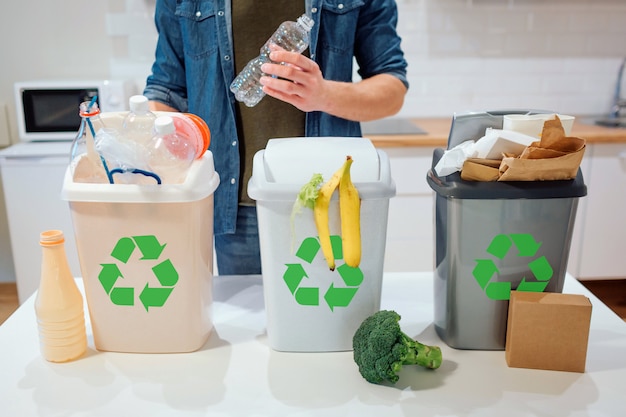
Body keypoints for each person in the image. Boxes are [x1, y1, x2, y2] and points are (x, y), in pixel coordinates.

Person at [143, 0, 408, 275]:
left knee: (330, 312)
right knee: (247, 316)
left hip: (331, 198)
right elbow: (166, 91)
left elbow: (393, 88)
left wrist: (325, 96)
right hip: (238, 208)